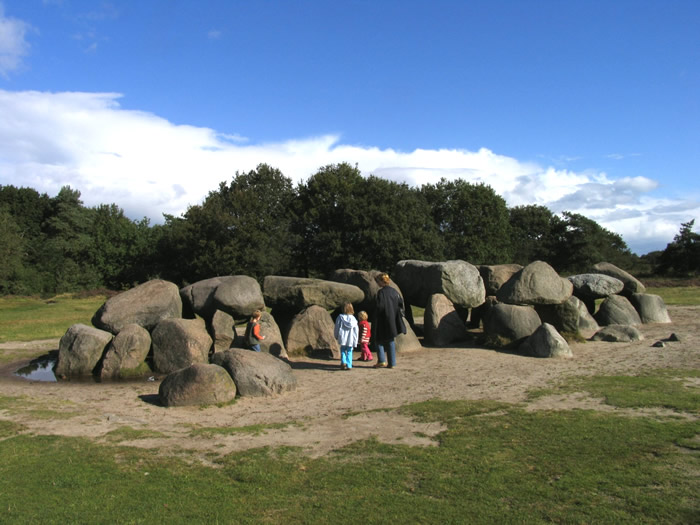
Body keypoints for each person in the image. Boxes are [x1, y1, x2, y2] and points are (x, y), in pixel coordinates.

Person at [373, 272, 406, 368]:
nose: (377, 283)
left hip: (383, 319)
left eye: (378, 281)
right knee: (390, 340)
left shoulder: (381, 292)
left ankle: (382, 360)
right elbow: (400, 304)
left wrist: (375, 315)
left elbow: (380, 306)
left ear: (382, 281)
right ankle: (392, 363)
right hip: (393, 319)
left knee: (379, 340)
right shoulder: (394, 291)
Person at [334, 303, 359, 370]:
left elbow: (337, 327)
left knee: (342, 349)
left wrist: (336, 335)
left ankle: (343, 361)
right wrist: (356, 339)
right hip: (351, 337)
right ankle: (349, 364)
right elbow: (356, 330)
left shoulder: (340, 317)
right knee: (350, 351)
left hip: (342, 337)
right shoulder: (354, 319)